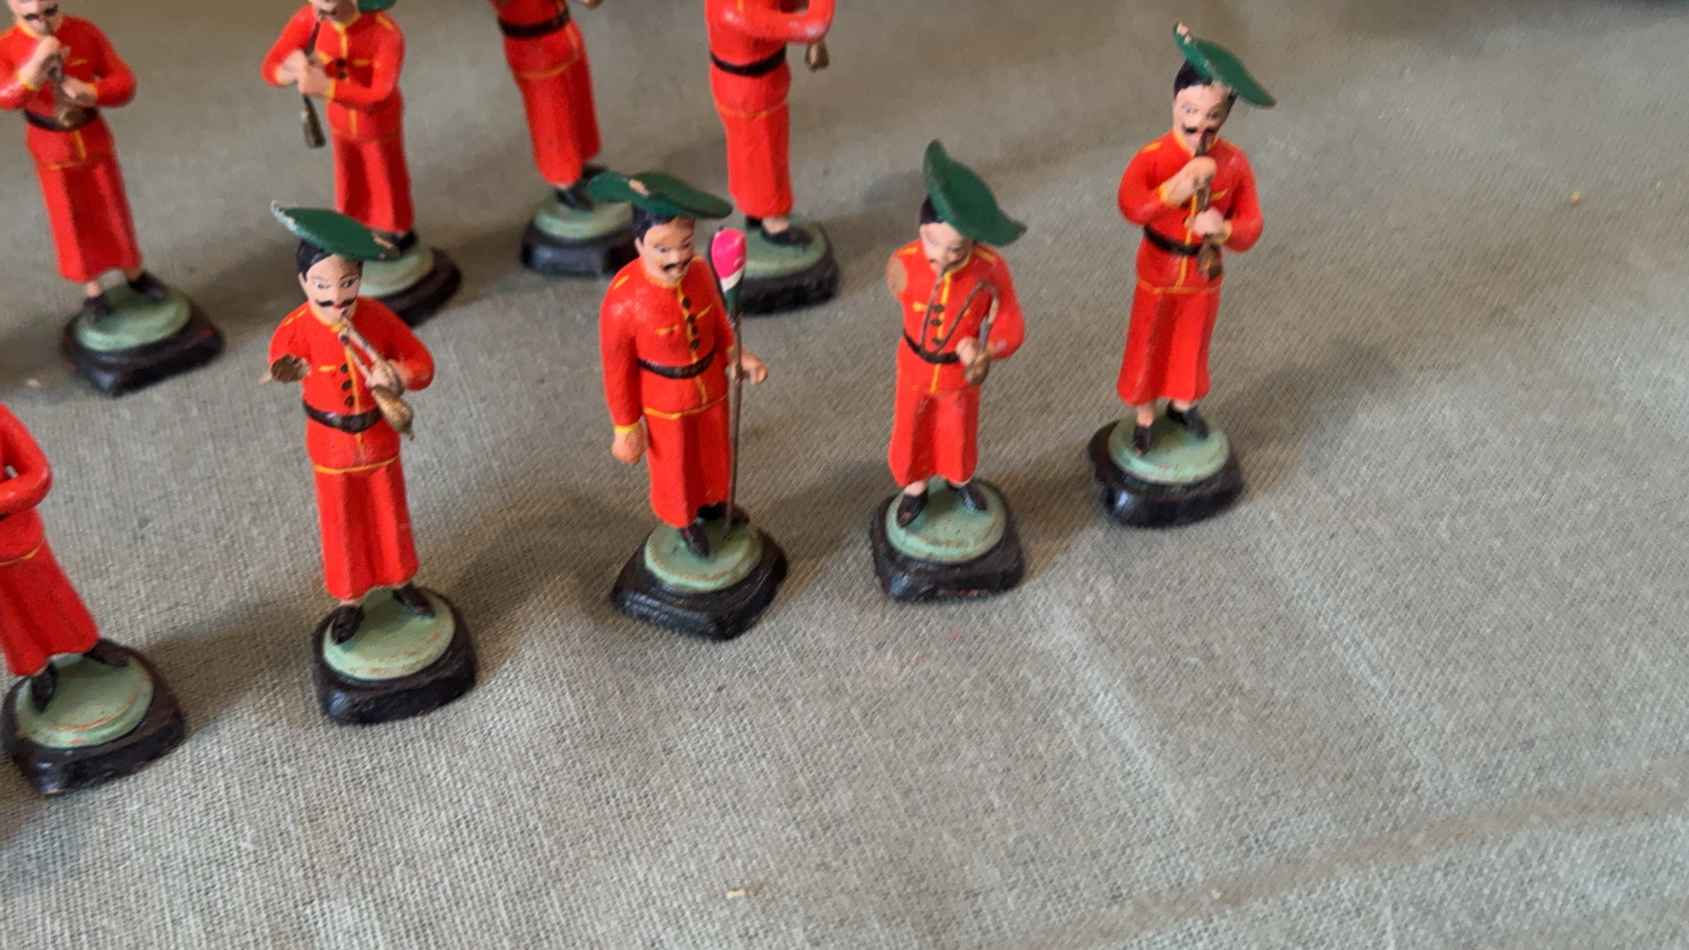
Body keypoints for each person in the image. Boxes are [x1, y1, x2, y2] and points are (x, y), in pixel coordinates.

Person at [266, 206, 436, 643]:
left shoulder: (378, 319)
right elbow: (279, 360)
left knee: (389, 513)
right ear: (304, 282)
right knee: (342, 524)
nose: (336, 296)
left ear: (360, 278)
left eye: (346, 282)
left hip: (378, 438)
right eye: (322, 285)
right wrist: (289, 368)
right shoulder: (295, 328)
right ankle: (350, 599)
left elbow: (423, 364)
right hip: (331, 446)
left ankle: (401, 581)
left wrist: (398, 375)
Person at [591, 171, 769, 558]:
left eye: (685, 244)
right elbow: (617, 370)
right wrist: (625, 425)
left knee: (713, 452)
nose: (677, 258)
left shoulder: (702, 273)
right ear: (639, 243)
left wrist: (738, 356)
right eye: (663, 249)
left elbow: (720, 325)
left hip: (710, 387)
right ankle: (684, 521)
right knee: (675, 467)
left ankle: (713, 503)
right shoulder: (623, 301)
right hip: (665, 403)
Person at [1115, 23, 1272, 454]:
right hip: (1159, 269)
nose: (1199, 124)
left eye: (1211, 117)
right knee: (1149, 341)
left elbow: (1252, 224)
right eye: (1190, 111)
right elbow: (1131, 204)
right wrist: (1175, 189)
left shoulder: (1234, 164)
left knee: (1191, 344)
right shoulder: (1154, 158)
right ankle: (1145, 417)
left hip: (1203, 273)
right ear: (1175, 103)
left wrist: (1224, 229)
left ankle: (1184, 406)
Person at [884, 142, 1026, 527]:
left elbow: (1011, 320)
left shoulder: (990, 270)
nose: (943, 257)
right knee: (911, 429)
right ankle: (914, 487)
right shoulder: (904, 263)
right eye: (933, 243)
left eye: (955, 250)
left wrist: (986, 349)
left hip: (958, 375)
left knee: (957, 431)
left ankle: (959, 479)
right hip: (914, 367)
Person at [0, 0, 169, 319]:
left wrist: (92, 91)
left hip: (92, 138)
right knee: (69, 218)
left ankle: (133, 272)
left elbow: (124, 82)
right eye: (30, 14)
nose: (41, 20)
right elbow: (6, 96)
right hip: (52, 147)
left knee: (113, 207)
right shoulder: (7, 46)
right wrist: (35, 66)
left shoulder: (84, 32)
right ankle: (92, 289)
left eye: (49, 11)